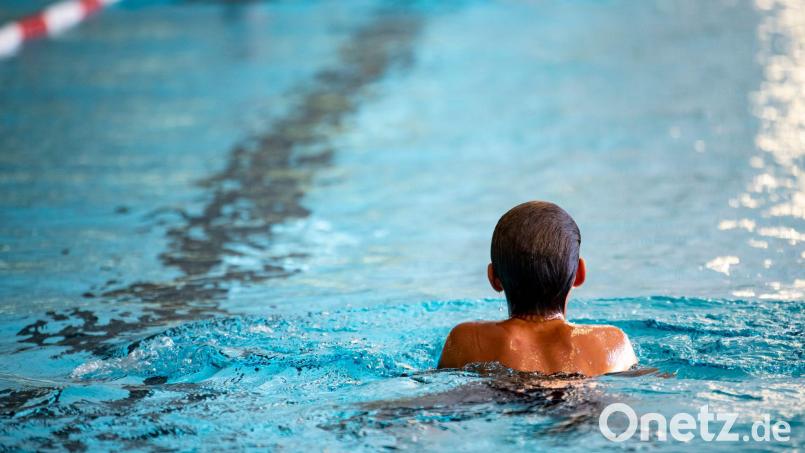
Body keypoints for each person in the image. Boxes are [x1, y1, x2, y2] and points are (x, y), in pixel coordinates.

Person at [438, 201, 637, 376]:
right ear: (579, 274)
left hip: (502, 400)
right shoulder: (610, 343)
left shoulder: (467, 340)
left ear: (493, 278)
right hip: (581, 404)